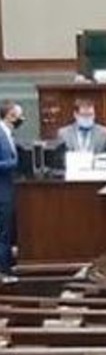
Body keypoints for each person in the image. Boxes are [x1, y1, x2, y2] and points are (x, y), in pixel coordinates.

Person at [0, 100, 23, 275]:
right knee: (3, 234)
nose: (22, 119)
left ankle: (8, 268)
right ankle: (3, 272)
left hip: (8, 190)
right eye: (19, 116)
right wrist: (15, 163)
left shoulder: (8, 134)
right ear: (10, 116)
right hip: (2, 192)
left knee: (8, 232)